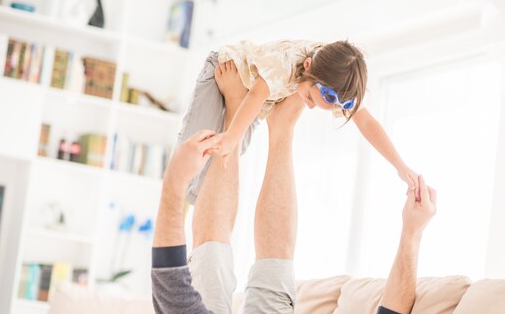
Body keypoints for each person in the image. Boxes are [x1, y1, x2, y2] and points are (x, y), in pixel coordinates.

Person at [150, 73, 437, 314]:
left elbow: (178, 312)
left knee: (212, 267)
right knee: (276, 273)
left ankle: (235, 108)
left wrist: (174, 185)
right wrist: (413, 231)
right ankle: (282, 124)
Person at [178, 39, 420, 208]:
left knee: (226, 162)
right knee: (198, 144)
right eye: (310, 98)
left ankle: (196, 212)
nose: (310, 106)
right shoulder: (284, 62)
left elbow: (366, 123)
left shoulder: (337, 78)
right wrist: (230, 138)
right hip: (226, 69)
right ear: (308, 67)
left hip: (252, 95)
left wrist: (400, 165)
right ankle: (178, 192)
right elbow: (254, 96)